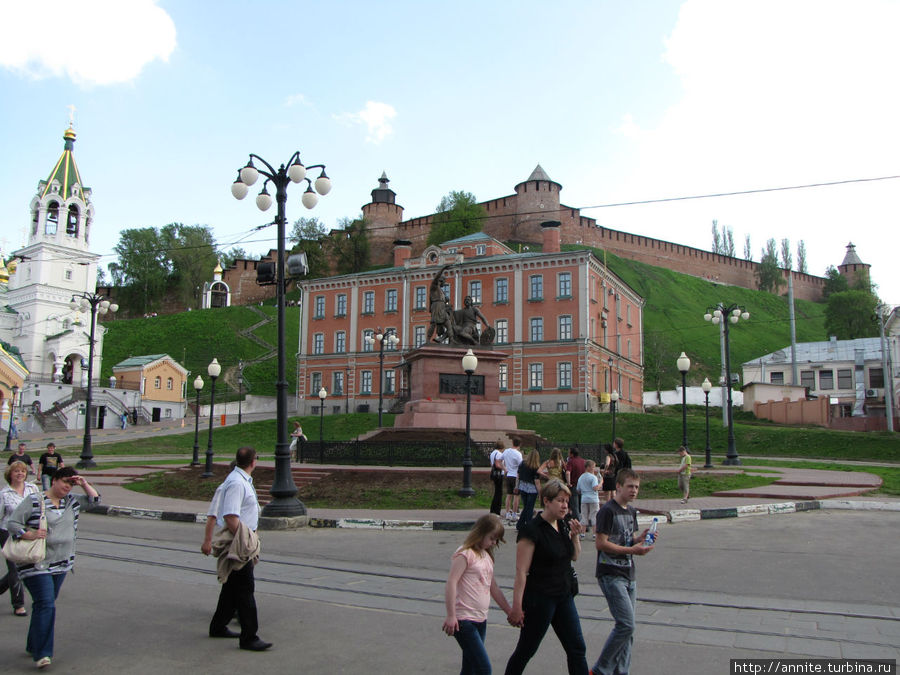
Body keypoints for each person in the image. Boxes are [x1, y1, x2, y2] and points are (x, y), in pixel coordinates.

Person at [7, 466, 100, 669]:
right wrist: (27, 534)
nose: (68, 487)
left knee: (44, 604)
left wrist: (83, 483)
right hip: (36, 562)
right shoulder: (35, 500)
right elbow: (12, 523)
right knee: (47, 603)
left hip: (61, 563)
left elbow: (95, 501)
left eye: (71, 483)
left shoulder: (72, 502)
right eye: (65, 482)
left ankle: (33, 644)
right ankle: (43, 654)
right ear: (55, 480)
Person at [504, 479, 588, 674]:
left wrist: (575, 536)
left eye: (567, 501)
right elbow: (521, 571)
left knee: (577, 648)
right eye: (560, 500)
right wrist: (516, 606)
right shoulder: (532, 530)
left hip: (564, 595)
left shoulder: (563, 524)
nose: (565, 505)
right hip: (540, 599)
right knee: (526, 650)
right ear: (546, 501)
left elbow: (574, 556)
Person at [202, 446, 272, 651]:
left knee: (232, 588)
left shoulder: (241, 481)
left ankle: (218, 626)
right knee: (245, 590)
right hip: (240, 545)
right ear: (253, 462)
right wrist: (247, 539)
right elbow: (230, 517)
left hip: (242, 540)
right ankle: (249, 637)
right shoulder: (235, 483)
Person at [591, 469, 656, 675]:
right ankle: (600, 670)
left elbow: (627, 538)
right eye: (630, 486)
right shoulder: (607, 511)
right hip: (611, 573)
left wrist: (640, 539)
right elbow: (601, 544)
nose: (634, 490)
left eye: (636, 487)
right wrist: (632, 550)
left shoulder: (630, 511)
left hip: (629, 574)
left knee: (629, 629)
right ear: (618, 486)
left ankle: (621, 671)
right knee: (626, 625)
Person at [442, 514, 513, 675]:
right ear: (481, 533)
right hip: (464, 620)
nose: (494, 543)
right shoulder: (465, 553)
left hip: (481, 618)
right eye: (492, 538)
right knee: (483, 668)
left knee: (470, 668)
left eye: (496, 540)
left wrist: (509, 611)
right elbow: (452, 582)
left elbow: (493, 586)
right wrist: (451, 615)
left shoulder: (486, 556)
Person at [0, 460, 40, 617]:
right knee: (14, 569)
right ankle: (18, 604)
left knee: (22, 567)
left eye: (23, 471)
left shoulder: (32, 488)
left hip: (29, 532)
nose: (20, 474)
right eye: (16, 471)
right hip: (8, 533)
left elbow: (40, 506)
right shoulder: (4, 494)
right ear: (10, 474)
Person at [515, 449, 541, 531]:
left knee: (526, 507)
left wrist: (516, 486)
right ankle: (528, 524)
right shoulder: (535, 467)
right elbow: (537, 481)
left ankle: (521, 524)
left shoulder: (522, 464)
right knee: (529, 507)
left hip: (522, 486)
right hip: (532, 489)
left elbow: (518, 476)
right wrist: (540, 492)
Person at [427, 264, 454, 343]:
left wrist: (446, 302)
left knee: (449, 324)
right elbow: (436, 277)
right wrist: (443, 268)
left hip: (442, 307)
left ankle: (451, 340)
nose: (444, 284)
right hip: (436, 306)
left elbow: (444, 301)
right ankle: (428, 340)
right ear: (441, 280)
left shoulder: (441, 291)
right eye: (444, 282)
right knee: (433, 323)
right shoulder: (434, 286)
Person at [577, 460, 601, 539]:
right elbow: (595, 488)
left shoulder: (581, 477)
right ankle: (594, 534)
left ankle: (582, 533)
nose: (594, 469)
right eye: (593, 467)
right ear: (588, 467)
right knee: (594, 516)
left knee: (584, 516)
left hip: (584, 498)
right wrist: (601, 483)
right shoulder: (593, 477)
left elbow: (578, 490)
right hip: (593, 498)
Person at [501, 439, 523, 523]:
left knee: (508, 495)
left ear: (512, 443)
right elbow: (520, 466)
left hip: (508, 474)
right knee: (516, 496)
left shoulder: (506, 451)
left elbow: (500, 460)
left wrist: (505, 468)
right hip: (516, 476)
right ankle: (514, 514)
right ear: (519, 445)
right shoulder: (518, 454)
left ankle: (507, 513)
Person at [565, 449, 586, 516]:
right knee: (581, 505)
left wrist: (568, 483)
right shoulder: (583, 461)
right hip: (582, 485)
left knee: (575, 506)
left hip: (574, 485)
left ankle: (578, 522)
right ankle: (583, 521)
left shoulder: (571, 462)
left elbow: (568, 473)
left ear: (572, 454)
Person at [488, 442, 505, 516]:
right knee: (499, 493)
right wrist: (505, 468)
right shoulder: (499, 454)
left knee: (497, 492)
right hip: (499, 474)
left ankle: (493, 509)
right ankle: (497, 511)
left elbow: (492, 464)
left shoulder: (493, 453)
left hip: (494, 474)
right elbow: (497, 464)